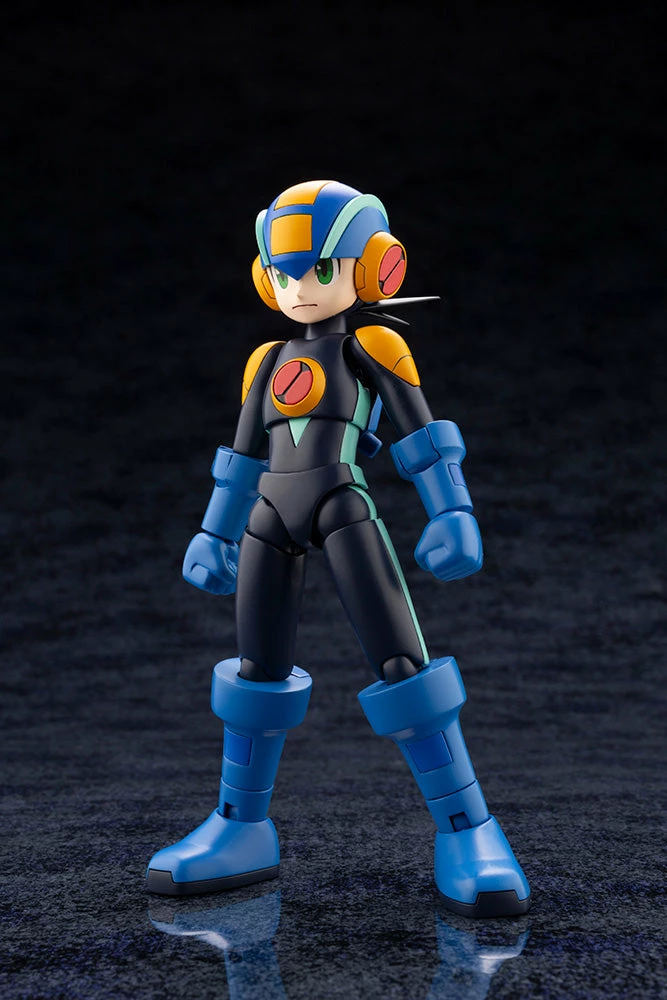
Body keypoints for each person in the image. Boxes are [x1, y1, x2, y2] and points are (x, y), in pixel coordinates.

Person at [146, 180, 530, 917]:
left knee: (401, 664)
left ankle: (467, 828)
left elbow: (424, 436)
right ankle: (240, 826)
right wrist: (213, 531)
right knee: (256, 671)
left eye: (319, 269)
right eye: (282, 273)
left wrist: (452, 510)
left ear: (376, 266)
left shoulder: (374, 345)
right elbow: (240, 461)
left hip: (341, 506)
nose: (299, 288)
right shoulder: (265, 361)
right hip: (268, 516)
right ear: (264, 276)